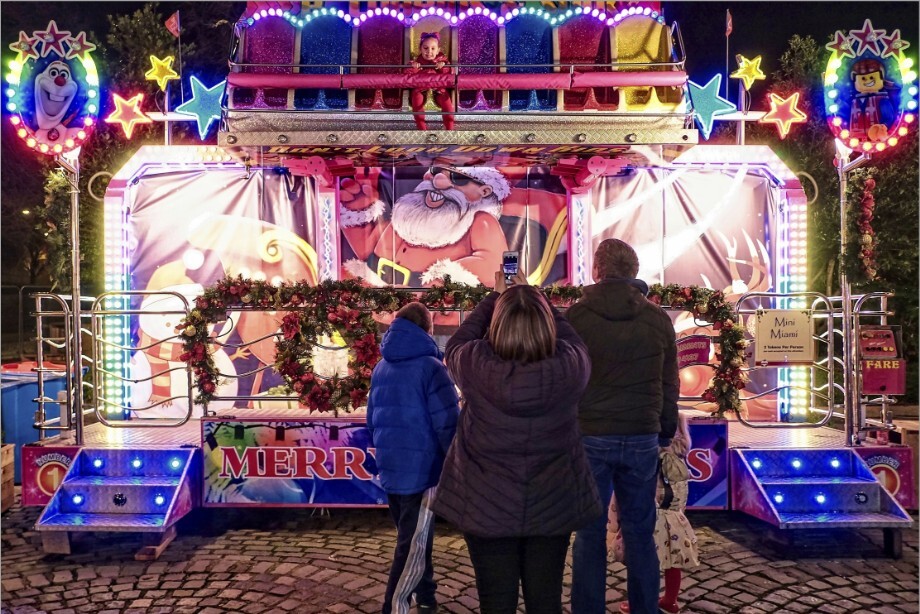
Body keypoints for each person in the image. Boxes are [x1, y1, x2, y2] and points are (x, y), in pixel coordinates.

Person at [432, 272, 601, 614]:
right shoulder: (570, 366)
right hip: (552, 500)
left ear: (498, 324)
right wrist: (535, 296)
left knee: (495, 601)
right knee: (546, 599)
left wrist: (494, 298)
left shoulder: (476, 365)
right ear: (545, 324)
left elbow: (455, 344)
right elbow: (575, 340)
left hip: (486, 502)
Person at [567, 238, 680, 614]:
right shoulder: (656, 318)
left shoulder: (577, 318)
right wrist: (664, 430)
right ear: (634, 273)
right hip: (641, 434)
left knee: (588, 531)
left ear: (597, 272)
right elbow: (669, 382)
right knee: (639, 533)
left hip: (591, 434)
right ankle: (646, 608)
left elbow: (566, 378)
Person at [366, 302, 460, 614]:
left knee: (416, 538)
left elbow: (371, 420)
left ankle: (428, 596)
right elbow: (447, 422)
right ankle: (395, 606)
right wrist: (456, 462)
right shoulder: (432, 368)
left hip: (391, 467)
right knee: (411, 545)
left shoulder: (381, 367)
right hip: (422, 470)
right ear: (428, 329)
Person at [609, 412, 699, 614]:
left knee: (642, 559)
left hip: (653, 514)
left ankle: (639, 601)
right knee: (673, 560)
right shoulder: (680, 455)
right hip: (675, 516)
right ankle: (670, 599)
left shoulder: (652, 454)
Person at [405, 32, 455, 131]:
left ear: (438, 50)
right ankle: (422, 128)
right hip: (421, 89)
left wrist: (443, 67)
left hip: (438, 90)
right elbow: (407, 73)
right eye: (425, 48)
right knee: (416, 100)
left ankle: (449, 129)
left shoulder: (443, 61)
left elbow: (450, 74)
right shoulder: (416, 62)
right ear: (420, 49)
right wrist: (414, 68)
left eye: (433, 49)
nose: (429, 52)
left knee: (447, 102)